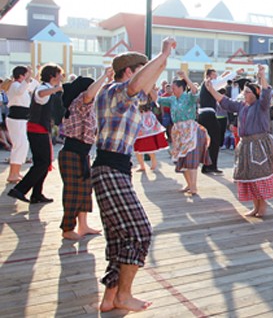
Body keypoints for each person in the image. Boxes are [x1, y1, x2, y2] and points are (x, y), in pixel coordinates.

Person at [93, 39, 175, 312]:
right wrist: (162, 54)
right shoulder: (116, 92)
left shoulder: (125, 95)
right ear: (129, 72)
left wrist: (164, 59)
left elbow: (147, 82)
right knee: (139, 231)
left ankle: (110, 297)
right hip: (110, 169)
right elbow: (139, 83)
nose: (149, 79)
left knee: (119, 237)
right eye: (142, 71)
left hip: (113, 169)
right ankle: (124, 295)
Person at [204, 66, 273, 218]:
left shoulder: (260, 106)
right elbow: (226, 102)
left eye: (248, 92)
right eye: (244, 91)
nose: (244, 93)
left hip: (259, 145)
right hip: (246, 144)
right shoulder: (242, 106)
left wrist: (262, 76)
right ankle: (255, 206)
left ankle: (263, 206)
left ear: (255, 95)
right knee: (249, 177)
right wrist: (211, 91)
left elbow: (266, 94)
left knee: (259, 176)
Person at [58, 70, 111, 240]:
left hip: (82, 154)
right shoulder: (79, 102)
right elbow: (89, 94)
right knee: (73, 192)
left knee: (85, 190)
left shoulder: (86, 106)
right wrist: (103, 76)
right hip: (72, 153)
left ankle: (83, 225)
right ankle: (67, 229)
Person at [7, 63, 64, 204]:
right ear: (52, 76)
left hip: (38, 128)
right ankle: (20, 189)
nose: (61, 76)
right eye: (59, 74)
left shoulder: (46, 87)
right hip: (37, 129)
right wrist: (58, 88)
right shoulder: (44, 88)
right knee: (43, 163)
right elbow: (40, 94)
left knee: (42, 163)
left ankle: (37, 194)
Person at [157, 71, 211, 195]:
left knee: (191, 158)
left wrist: (185, 77)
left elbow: (194, 91)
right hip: (178, 131)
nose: (172, 90)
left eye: (174, 88)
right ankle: (189, 184)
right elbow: (158, 99)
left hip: (190, 129)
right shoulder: (171, 99)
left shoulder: (188, 97)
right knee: (182, 159)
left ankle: (194, 187)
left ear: (181, 88)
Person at [198, 68, 236, 175]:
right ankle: (211, 166)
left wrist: (225, 74)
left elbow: (219, 81)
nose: (215, 77)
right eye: (214, 75)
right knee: (215, 140)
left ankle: (207, 166)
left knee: (209, 141)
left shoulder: (206, 84)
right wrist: (235, 73)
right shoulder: (209, 83)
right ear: (209, 75)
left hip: (204, 115)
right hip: (208, 114)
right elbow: (220, 82)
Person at [6, 65, 39, 183]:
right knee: (18, 145)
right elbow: (20, 90)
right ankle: (12, 174)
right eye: (26, 75)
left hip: (22, 119)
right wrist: (28, 77)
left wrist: (35, 73)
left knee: (23, 145)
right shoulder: (15, 85)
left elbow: (34, 85)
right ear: (21, 75)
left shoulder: (22, 86)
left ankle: (16, 172)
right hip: (16, 118)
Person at [133, 89, 169, 172]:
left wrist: (150, 88)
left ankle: (153, 163)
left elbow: (156, 99)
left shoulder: (147, 91)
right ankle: (143, 165)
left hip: (146, 117)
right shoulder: (135, 90)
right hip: (139, 117)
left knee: (149, 143)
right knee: (137, 145)